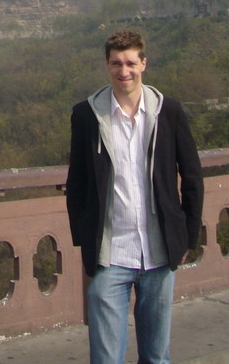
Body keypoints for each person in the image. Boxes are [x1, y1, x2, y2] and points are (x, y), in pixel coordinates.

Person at [65, 30, 203, 364]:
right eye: (116, 63)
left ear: (144, 63)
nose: (123, 71)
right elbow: (78, 183)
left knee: (156, 356)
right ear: (107, 66)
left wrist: (187, 236)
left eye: (130, 62)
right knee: (107, 357)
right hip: (111, 252)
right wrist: (85, 239)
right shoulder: (87, 115)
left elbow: (193, 176)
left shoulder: (167, 112)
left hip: (158, 250)